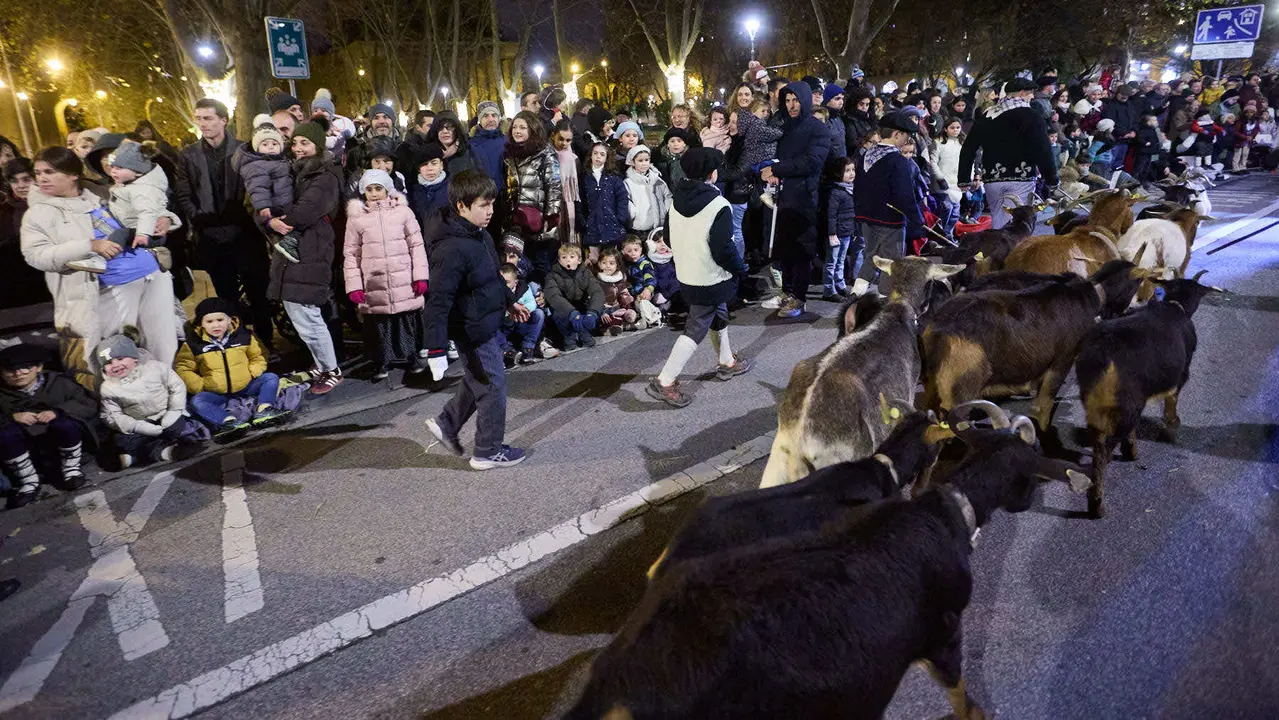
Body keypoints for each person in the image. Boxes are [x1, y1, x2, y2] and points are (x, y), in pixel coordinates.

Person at [21, 147, 178, 388]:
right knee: (115, 352)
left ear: (73, 174)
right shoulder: (39, 213)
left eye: (50, 172)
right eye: (38, 173)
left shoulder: (100, 192)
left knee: (162, 343)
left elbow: (144, 203)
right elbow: (36, 255)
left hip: (151, 274)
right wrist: (89, 245)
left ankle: (163, 395)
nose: (42, 178)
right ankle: (125, 408)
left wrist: (166, 219)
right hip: (107, 288)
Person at [421, 169, 529, 470]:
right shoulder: (451, 248)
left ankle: (447, 423)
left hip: (484, 321)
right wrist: (436, 349)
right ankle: (487, 451)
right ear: (461, 206)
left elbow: (489, 277)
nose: (490, 211)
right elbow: (438, 300)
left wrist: (509, 302)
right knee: (493, 386)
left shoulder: (477, 234)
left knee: (478, 379)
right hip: (472, 330)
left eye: (492, 204)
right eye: (483, 205)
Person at [647, 148, 751, 408]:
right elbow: (723, 249)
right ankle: (666, 379)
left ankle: (727, 361)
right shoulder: (719, 205)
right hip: (710, 275)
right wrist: (740, 268)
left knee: (719, 313)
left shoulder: (676, 199)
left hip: (687, 273)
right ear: (712, 174)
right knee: (696, 328)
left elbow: (669, 238)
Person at [175, 98, 273, 347]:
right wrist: (197, 218)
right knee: (226, 298)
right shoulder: (189, 155)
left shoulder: (244, 149)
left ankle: (266, 343)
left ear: (223, 120)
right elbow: (184, 193)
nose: (202, 124)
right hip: (211, 238)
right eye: (198, 118)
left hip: (245, 235)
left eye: (207, 118)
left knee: (258, 295)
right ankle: (238, 345)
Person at [266, 119, 344, 395]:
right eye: (295, 142)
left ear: (318, 146)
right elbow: (263, 204)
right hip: (294, 252)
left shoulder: (325, 176)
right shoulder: (295, 172)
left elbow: (304, 212)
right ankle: (321, 363)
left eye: (305, 143)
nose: (298, 148)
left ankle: (331, 369)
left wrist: (274, 219)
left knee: (308, 315)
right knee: (299, 314)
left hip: (311, 249)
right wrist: (267, 217)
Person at [344, 169, 429, 380]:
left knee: (405, 321)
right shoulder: (356, 219)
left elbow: (416, 245)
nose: (374, 193)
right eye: (369, 189)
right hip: (374, 283)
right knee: (379, 324)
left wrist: (420, 276)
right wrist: (354, 286)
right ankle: (381, 361)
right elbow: (351, 253)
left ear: (387, 190)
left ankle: (411, 357)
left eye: (378, 188)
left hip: (403, 280)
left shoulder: (403, 213)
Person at [761, 81, 831, 318]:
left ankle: (799, 299)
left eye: (795, 100)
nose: (791, 105)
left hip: (805, 199)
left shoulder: (818, 129)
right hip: (783, 198)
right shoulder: (785, 128)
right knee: (786, 249)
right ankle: (787, 293)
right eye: (787, 100)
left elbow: (812, 162)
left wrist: (777, 170)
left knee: (802, 250)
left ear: (805, 100)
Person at [0, 344, 98, 508]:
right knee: (6, 434)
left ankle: (71, 471)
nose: (17, 374)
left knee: (65, 424)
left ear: (38, 367)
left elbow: (87, 404)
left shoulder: (59, 383)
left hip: (60, 446)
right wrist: (12, 417)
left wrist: (58, 411)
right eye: (10, 370)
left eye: (25, 368)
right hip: (28, 453)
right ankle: (29, 482)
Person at [175, 297, 287, 438]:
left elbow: (259, 356)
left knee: (270, 378)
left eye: (220, 320)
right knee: (197, 401)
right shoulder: (193, 345)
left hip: (246, 385)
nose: (215, 325)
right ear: (201, 323)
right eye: (209, 321)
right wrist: (200, 385)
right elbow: (183, 368)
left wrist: (253, 371)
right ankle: (228, 421)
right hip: (216, 393)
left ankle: (264, 408)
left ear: (230, 320)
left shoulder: (244, 337)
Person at [958, 78, 1058, 229]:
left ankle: (995, 251)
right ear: (1022, 93)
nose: (1031, 97)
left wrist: (964, 178)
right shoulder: (1030, 115)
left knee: (999, 220)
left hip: (992, 179)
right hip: (1020, 178)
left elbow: (969, 147)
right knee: (1015, 226)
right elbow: (1042, 147)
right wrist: (1051, 177)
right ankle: (1007, 252)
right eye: (1030, 93)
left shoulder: (988, 115)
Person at [96, 333, 194, 468]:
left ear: (134, 358)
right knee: (125, 439)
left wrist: (174, 411)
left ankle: (136, 457)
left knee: (179, 428)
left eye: (120, 358)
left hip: (166, 414)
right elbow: (111, 415)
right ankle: (166, 452)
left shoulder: (155, 368)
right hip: (140, 423)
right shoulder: (108, 388)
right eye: (108, 363)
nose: (115, 365)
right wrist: (137, 426)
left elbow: (177, 387)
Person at [853, 111, 925, 295]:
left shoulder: (866, 155)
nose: (907, 139)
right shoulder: (898, 160)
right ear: (896, 134)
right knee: (891, 262)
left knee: (870, 257)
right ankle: (886, 301)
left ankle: (856, 295)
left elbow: (858, 187)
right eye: (906, 135)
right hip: (890, 219)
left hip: (866, 217)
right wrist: (917, 218)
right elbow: (904, 194)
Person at [234, 114, 303, 263]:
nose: (271, 147)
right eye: (265, 144)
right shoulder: (258, 165)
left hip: (289, 209)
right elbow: (257, 189)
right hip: (276, 211)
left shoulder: (286, 160)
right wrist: (266, 216)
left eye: (274, 143)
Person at [503, 111, 562, 282]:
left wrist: (551, 216)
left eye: (523, 127)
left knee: (542, 264)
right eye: (515, 127)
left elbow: (554, 186)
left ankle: (546, 300)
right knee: (521, 265)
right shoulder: (509, 153)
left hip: (539, 220)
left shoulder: (545, 153)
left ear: (533, 129)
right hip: (517, 220)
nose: (517, 131)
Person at [2, 158, 51, 308]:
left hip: (49, 277)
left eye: (26, 179)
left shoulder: (52, 204)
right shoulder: (4, 211)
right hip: (18, 288)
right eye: (14, 181)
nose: (20, 186)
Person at [545, 243, 603, 349]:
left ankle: (584, 331)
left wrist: (593, 312)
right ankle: (569, 335)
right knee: (559, 313)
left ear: (579, 260)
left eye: (572, 257)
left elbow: (597, 291)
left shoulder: (585, 272)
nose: (568, 260)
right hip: (564, 309)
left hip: (580, 305)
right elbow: (554, 296)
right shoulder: (553, 275)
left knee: (592, 306)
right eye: (564, 257)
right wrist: (572, 313)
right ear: (559, 260)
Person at [580, 141, 630, 259]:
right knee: (593, 260)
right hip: (591, 227)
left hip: (611, 225)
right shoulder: (584, 178)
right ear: (590, 155)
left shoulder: (614, 178)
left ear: (607, 158)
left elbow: (622, 199)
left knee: (611, 259)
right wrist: (583, 222)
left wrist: (620, 218)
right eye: (595, 153)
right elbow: (579, 201)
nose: (598, 156)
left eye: (602, 154)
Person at [820, 155, 857, 300]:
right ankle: (829, 289)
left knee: (841, 260)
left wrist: (853, 230)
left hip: (847, 231)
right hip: (836, 233)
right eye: (847, 170)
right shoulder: (836, 192)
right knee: (831, 261)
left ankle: (840, 284)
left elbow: (852, 214)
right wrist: (832, 233)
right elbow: (831, 215)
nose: (851, 173)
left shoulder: (851, 189)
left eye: (853, 170)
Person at [498, 263, 544, 366]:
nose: (504, 286)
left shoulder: (523, 288)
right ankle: (508, 351)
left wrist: (523, 310)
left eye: (507, 282)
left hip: (521, 321)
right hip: (504, 324)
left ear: (515, 282)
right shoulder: (497, 292)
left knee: (538, 314)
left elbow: (532, 303)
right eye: (501, 282)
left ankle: (528, 348)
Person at [595, 247, 642, 334]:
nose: (607, 266)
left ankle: (625, 323)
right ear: (599, 264)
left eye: (611, 263)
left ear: (617, 265)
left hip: (616, 307)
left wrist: (629, 304)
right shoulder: (597, 281)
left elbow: (624, 294)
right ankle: (618, 326)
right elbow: (593, 299)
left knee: (629, 312)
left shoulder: (620, 278)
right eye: (604, 263)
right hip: (604, 309)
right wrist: (601, 312)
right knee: (603, 320)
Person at [407, 143, 450, 228]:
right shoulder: (412, 192)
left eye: (434, 163)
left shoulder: (453, 188)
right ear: (419, 169)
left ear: (441, 165)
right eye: (424, 164)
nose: (430, 168)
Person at [551, 120, 580, 245]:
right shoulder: (546, 155)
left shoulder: (573, 159)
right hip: (551, 202)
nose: (564, 143)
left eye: (568, 140)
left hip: (567, 203)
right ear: (553, 135)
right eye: (561, 139)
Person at [470, 101, 507, 184]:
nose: (491, 119)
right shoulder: (471, 144)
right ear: (480, 119)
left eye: (494, 115)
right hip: (482, 193)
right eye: (485, 116)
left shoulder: (508, 142)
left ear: (498, 118)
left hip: (505, 193)